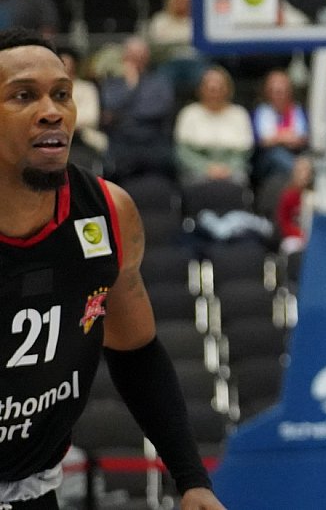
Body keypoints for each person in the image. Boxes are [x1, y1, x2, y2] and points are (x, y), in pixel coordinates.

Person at [0, 29, 225, 510]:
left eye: (62, 94)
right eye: (23, 96)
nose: (51, 111)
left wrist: (191, 480)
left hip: (32, 490)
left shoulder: (107, 212)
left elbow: (136, 352)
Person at [100, 35, 177, 181]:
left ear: (147, 57)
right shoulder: (112, 83)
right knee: (112, 166)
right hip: (122, 140)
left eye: (140, 55)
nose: (136, 60)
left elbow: (159, 109)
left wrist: (123, 115)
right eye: (132, 56)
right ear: (124, 57)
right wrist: (131, 86)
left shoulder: (160, 82)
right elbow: (110, 107)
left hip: (152, 139)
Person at [173, 65, 254, 187]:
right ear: (200, 89)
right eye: (210, 88)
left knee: (239, 180)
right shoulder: (189, 113)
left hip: (232, 170)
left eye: (219, 88)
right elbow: (182, 153)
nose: (215, 92)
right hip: (196, 169)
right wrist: (206, 168)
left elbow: (245, 153)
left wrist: (228, 169)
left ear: (228, 89)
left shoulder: (239, 114)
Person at [250, 69, 307, 181]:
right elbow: (261, 141)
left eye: (282, 91)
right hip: (265, 160)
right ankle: (299, 174)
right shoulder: (259, 112)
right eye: (275, 91)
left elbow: (303, 139)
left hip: (296, 155)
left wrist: (277, 138)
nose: (279, 95)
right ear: (267, 92)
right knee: (277, 154)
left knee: (305, 161)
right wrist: (285, 138)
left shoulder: (299, 112)